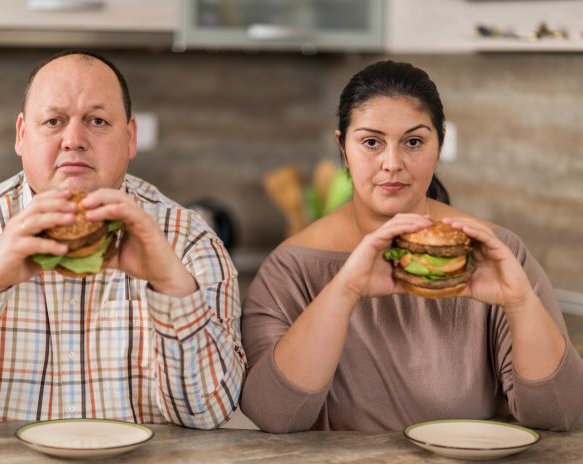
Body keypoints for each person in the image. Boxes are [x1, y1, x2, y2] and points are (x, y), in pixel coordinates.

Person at [0, 50, 245, 430]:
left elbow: (210, 413)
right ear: (22, 135)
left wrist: (173, 287)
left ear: (130, 137)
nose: (74, 140)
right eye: (54, 121)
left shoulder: (189, 240)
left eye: (98, 120)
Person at [239, 60, 583, 433]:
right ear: (343, 148)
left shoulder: (498, 254)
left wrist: (519, 304)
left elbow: (558, 414)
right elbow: (273, 415)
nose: (392, 163)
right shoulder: (291, 267)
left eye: (414, 142)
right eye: (371, 142)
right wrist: (346, 289)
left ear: (440, 146)